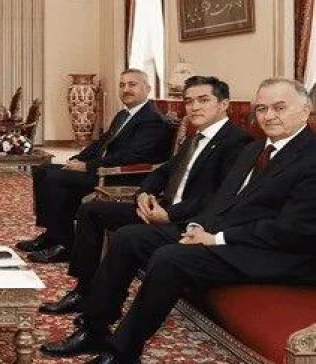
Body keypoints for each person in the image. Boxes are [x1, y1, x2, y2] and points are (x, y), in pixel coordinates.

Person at [50, 78, 316, 364]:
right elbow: (222, 201)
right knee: (129, 238)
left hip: (281, 255)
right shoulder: (256, 149)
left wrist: (215, 238)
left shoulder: (310, 157)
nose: (269, 116)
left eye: (279, 108)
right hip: (234, 237)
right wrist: (197, 227)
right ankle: (95, 328)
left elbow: (293, 230)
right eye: (262, 109)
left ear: (305, 109)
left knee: (171, 259)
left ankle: (123, 358)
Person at [39, 76, 252, 315]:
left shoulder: (237, 142)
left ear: (224, 104)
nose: (194, 107)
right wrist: (144, 193)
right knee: (92, 210)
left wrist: (169, 215)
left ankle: (101, 310)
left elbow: (219, 197)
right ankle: (83, 290)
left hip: (190, 221)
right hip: (160, 208)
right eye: (189, 101)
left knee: (127, 236)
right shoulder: (197, 137)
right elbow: (164, 171)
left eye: (203, 100)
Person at [19, 68, 174, 263]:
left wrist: (88, 166)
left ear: (147, 89)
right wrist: (78, 158)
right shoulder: (123, 115)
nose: (126, 89)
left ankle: (64, 244)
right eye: (122, 85)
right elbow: (100, 143)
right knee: (43, 170)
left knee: (55, 179)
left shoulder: (152, 120)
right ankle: (52, 234)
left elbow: (131, 157)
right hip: (102, 169)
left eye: (132, 85)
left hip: (123, 176)